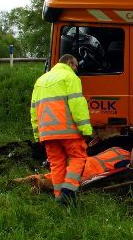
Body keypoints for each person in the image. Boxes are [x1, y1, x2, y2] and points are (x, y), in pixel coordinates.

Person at [30, 53, 92, 204]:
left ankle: (59, 197)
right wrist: (86, 130)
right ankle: (68, 191)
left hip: (47, 132)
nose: (77, 70)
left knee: (56, 163)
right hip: (68, 130)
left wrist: (37, 134)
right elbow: (77, 105)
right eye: (76, 66)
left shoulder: (40, 80)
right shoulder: (70, 77)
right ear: (70, 63)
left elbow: (33, 110)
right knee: (78, 157)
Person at [14, 147, 131, 192]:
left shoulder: (116, 148)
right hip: (92, 171)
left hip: (85, 161)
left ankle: (23, 180)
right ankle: (42, 185)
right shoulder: (126, 160)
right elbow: (124, 169)